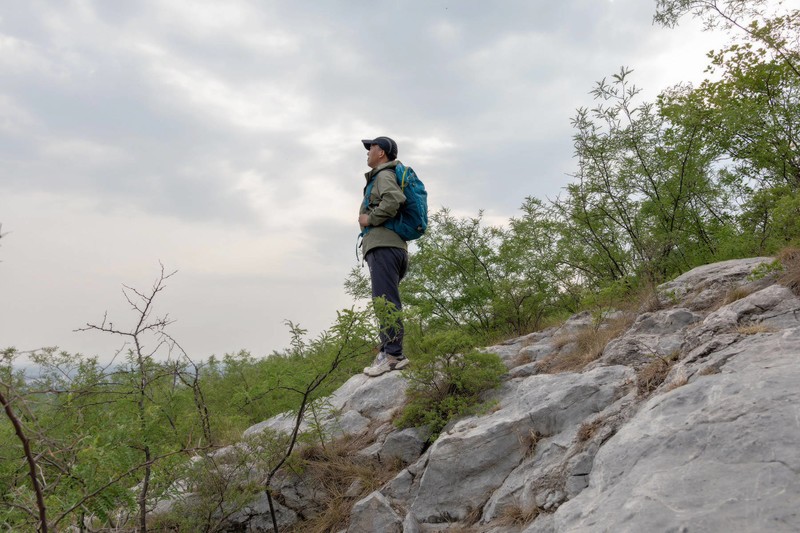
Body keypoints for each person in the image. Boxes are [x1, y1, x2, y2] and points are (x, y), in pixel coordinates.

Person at [359, 136, 410, 377]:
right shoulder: (382, 176)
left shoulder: (383, 175)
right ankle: (386, 351)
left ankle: (393, 356)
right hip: (393, 247)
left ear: (382, 153)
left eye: (372, 148)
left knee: (385, 302)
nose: (368, 151)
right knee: (385, 300)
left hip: (384, 247)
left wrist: (371, 219)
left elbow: (394, 199)